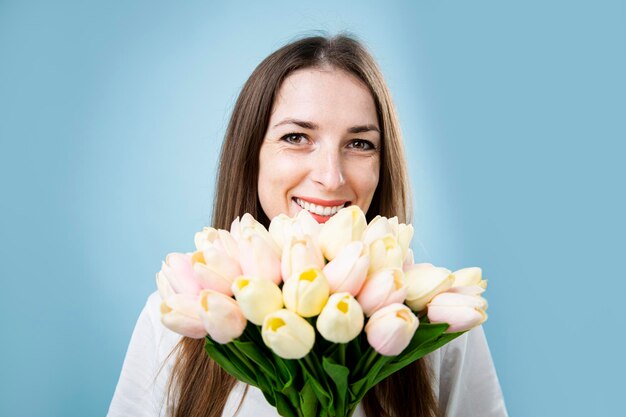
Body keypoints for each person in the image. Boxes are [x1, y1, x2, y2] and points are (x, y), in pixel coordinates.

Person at [107, 33, 508, 417]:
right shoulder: (181, 315)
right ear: (252, 156)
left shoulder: (437, 321)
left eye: (360, 143)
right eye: (297, 137)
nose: (331, 177)